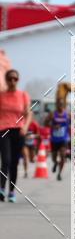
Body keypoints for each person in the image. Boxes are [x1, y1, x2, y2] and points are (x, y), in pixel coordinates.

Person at [0, 68, 31, 202]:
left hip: (18, 131)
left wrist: (25, 126)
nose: (13, 81)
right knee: (5, 160)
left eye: (15, 79)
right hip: (3, 129)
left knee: (14, 162)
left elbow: (29, 113)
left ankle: (12, 191)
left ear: (18, 80)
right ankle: (1, 189)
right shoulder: (1, 95)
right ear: (6, 80)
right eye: (10, 78)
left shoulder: (23, 95)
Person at [45, 97, 70, 181]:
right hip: (54, 139)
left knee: (63, 156)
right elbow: (45, 123)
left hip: (64, 139)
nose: (61, 106)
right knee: (54, 157)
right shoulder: (52, 114)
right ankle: (55, 163)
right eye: (59, 104)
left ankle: (59, 173)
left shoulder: (67, 115)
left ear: (64, 105)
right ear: (57, 105)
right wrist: (53, 126)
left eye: (62, 104)